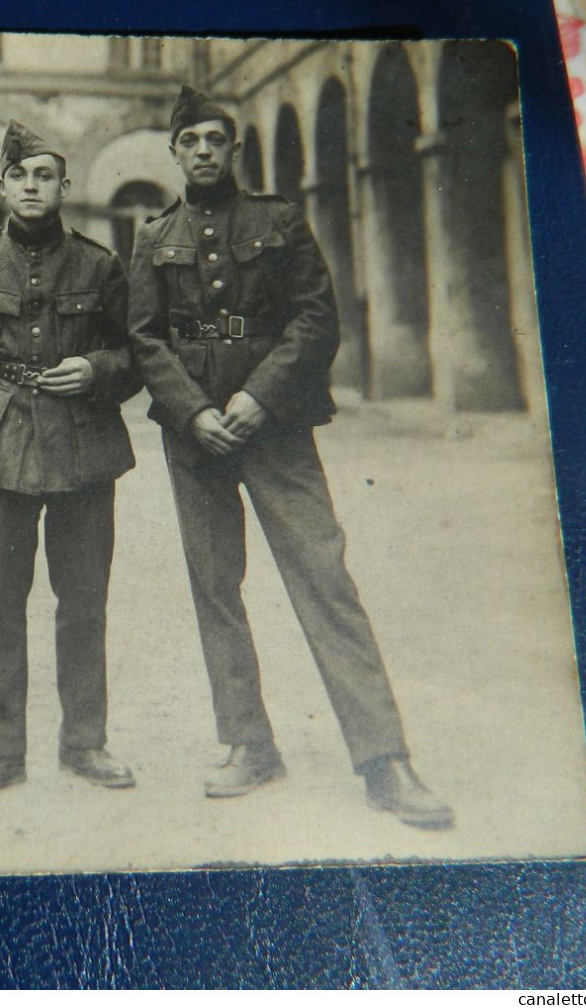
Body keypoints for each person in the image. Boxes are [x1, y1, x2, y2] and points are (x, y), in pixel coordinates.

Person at [126, 84, 454, 829]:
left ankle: (385, 759)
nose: (205, 151)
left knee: (324, 576)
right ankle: (248, 742)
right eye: (191, 141)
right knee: (216, 587)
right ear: (174, 153)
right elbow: (144, 336)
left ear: (233, 149)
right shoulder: (152, 237)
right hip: (196, 437)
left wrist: (258, 398)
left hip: (274, 430)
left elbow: (315, 316)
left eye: (216, 138)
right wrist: (195, 410)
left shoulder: (279, 219)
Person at [0, 121, 140, 803]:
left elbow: (135, 355)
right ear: (2, 185)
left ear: (63, 186)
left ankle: (85, 742)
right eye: (19, 175)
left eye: (44, 175)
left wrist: (96, 369)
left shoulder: (101, 265)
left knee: (83, 601)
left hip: (82, 446)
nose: (30, 186)